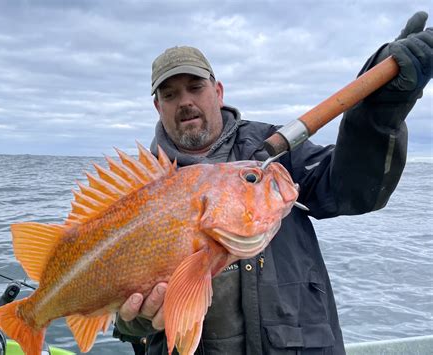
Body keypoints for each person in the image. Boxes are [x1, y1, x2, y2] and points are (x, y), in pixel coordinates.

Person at [113, 12, 432, 355]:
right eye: (171, 94)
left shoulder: (274, 153)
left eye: (195, 87)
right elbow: (113, 296)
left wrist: (380, 110)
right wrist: (133, 323)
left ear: (218, 92)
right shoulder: (140, 188)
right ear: (157, 106)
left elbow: (351, 189)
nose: (186, 101)